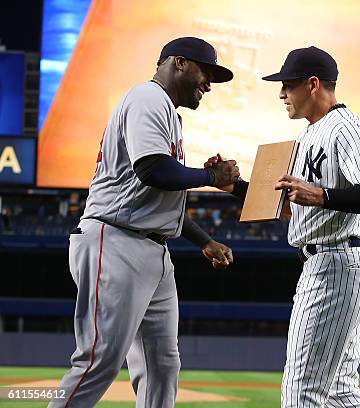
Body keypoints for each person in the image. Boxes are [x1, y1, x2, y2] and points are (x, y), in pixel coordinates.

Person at [49, 37, 240, 408]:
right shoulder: (147, 98)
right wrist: (209, 177)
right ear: (179, 63)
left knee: (162, 365)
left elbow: (157, 199)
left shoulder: (167, 112)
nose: (209, 84)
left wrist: (204, 241)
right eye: (206, 72)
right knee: (99, 362)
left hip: (150, 248)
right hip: (116, 240)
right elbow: (152, 169)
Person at [208, 46, 360, 407]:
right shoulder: (309, 134)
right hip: (327, 261)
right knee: (339, 393)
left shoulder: (345, 128)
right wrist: (232, 186)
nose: (281, 94)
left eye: (287, 85)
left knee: (301, 390)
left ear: (312, 84)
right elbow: (285, 206)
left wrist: (323, 195)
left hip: (337, 261)